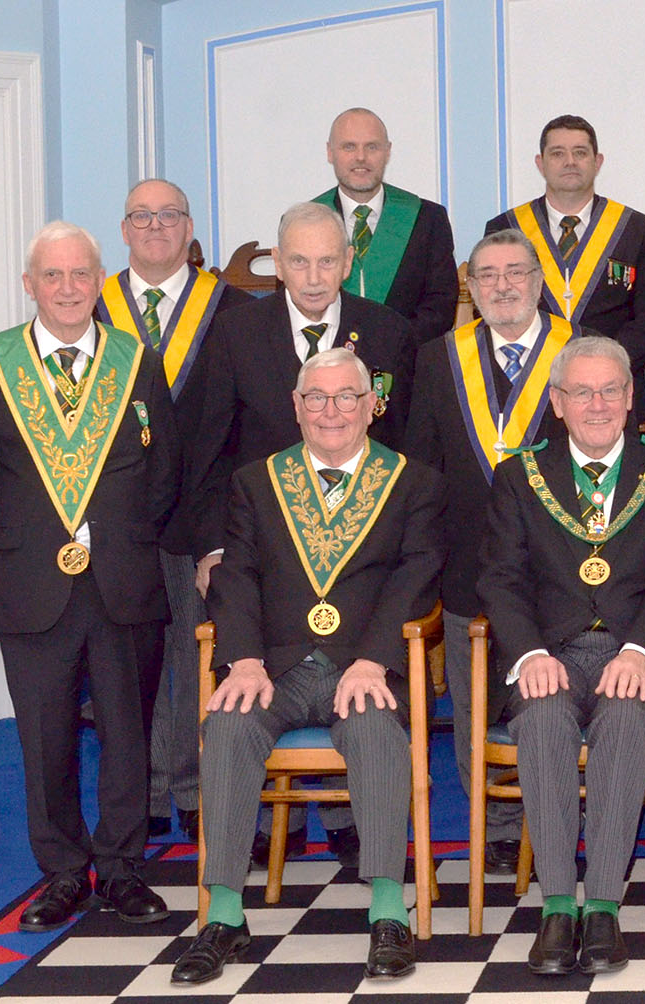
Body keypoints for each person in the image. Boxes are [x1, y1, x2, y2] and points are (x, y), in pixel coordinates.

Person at [171, 348, 442, 984]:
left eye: (346, 396)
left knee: (375, 732)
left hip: (364, 665)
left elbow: (418, 574)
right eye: (316, 398)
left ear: (371, 404)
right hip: (276, 666)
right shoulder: (257, 481)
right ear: (295, 407)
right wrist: (241, 660)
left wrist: (375, 660)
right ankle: (225, 916)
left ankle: (386, 912)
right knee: (230, 726)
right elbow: (235, 576)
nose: (331, 411)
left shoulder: (413, 481)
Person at [0, 221, 179, 930]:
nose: (69, 288)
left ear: (98, 282)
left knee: (126, 734)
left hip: (123, 582)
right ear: (30, 286)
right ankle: (61, 873)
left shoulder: (134, 363)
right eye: (54, 276)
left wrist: (125, 540)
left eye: (81, 275)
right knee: (44, 740)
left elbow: (165, 470)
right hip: (34, 590)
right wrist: (17, 553)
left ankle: (119, 867)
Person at [178, 201, 417, 864]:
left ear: (348, 262)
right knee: (252, 692)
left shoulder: (389, 332)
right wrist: (213, 546)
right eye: (299, 261)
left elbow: (404, 454)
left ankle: (353, 825)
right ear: (278, 265)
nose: (314, 276)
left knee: (353, 689)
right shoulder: (234, 333)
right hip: (261, 567)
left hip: (358, 570)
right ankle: (245, 834)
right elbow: (208, 451)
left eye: (327, 260)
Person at [479, 336, 645, 976]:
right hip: (547, 652)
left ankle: (602, 906)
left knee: (629, 719)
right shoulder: (518, 477)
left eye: (611, 389)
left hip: (635, 653)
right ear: (557, 401)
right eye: (582, 391)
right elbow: (500, 578)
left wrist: (638, 651)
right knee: (544, 717)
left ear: (632, 398)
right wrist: (527, 653)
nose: (598, 403)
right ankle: (557, 907)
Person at [404, 229, 577, 877]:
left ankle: (559, 816)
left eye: (515, 273)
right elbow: (420, 472)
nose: (503, 286)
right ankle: (501, 826)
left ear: (538, 281)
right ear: (470, 290)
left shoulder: (582, 355)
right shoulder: (438, 359)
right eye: (487, 276)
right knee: (478, 704)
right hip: (468, 569)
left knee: (556, 698)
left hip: (565, 573)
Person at [94, 178, 250, 839]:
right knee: (125, 660)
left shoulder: (233, 309)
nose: (156, 226)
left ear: (190, 229)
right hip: (114, 521)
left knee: (194, 655)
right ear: (124, 229)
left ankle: (188, 787)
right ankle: (142, 791)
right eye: (142, 216)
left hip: (200, 515)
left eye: (170, 216)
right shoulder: (89, 312)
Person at [486, 115, 645, 418]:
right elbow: (495, 311)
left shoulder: (635, 228)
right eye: (558, 153)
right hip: (528, 388)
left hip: (611, 391)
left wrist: (603, 369)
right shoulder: (506, 229)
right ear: (540, 163)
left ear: (598, 161)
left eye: (580, 152)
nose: (570, 162)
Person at [314, 107, 458, 342]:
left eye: (372, 147)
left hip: (408, 363)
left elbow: (440, 307)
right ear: (330, 152)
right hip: (326, 363)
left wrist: (391, 346)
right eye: (349, 146)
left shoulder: (427, 218)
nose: (361, 157)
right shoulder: (304, 223)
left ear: (388, 152)